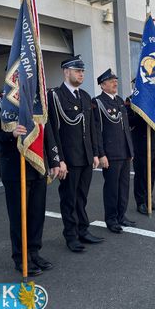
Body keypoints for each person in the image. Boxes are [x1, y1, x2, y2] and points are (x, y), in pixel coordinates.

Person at [0, 91, 61, 276]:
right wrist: (10, 134)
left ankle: (34, 252)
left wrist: (54, 160)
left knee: (37, 214)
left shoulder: (37, 98)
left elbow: (46, 130)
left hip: (38, 165)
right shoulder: (0, 98)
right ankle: (21, 257)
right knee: (19, 217)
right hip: (14, 168)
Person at [47, 55, 103, 252]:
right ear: (66, 72)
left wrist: (95, 153)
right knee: (69, 199)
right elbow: (53, 130)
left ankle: (83, 230)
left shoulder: (85, 96)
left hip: (86, 156)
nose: (81, 74)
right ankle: (71, 236)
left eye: (82, 71)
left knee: (82, 198)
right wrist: (58, 159)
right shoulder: (55, 96)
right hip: (69, 159)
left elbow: (92, 129)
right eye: (78, 71)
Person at [92, 69, 135, 233]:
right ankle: (111, 219)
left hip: (124, 151)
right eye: (111, 81)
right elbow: (97, 131)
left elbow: (126, 129)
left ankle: (121, 215)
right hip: (110, 153)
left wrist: (130, 150)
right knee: (112, 188)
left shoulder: (119, 101)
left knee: (124, 187)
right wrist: (101, 154)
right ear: (102, 85)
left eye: (115, 81)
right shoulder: (98, 102)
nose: (115, 83)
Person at [127, 85, 155, 215]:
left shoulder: (153, 99)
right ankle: (141, 202)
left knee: (152, 174)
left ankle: (149, 200)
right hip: (140, 144)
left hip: (154, 142)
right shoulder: (131, 100)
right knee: (141, 175)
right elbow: (129, 120)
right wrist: (143, 114)